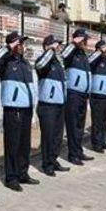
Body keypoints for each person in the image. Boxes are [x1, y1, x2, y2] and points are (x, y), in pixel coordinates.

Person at [0, 31, 40, 191]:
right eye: (19, 43)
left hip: (26, 108)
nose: (22, 46)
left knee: (24, 144)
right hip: (13, 109)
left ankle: (22, 173)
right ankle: (11, 177)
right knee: (13, 144)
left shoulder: (25, 63)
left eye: (22, 44)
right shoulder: (5, 63)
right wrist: (8, 48)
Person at [35, 35, 70, 176]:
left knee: (57, 136)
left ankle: (53, 159)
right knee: (48, 136)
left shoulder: (57, 63)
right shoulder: (43, 61)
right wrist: (50, 51)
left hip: (59, 105)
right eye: (55, 44)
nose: (58, 47)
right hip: (47, 106)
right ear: (46, 46)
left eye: (59, 45)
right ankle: (47, 164)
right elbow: (40, 65)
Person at [62, 29, 94, 165]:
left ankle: (78, 151)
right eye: (84, 40)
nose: (85, 42)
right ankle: (73, 154)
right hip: (73, 94)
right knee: (73, 125)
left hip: (83, 95)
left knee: (80, 125)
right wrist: (73, 43)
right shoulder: (70, 52)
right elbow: (62, 55)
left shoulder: (83, 54)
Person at [88, 40, 106, 153]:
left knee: (105, 121)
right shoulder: (95, 60)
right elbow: (89, 61)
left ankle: (102, 141)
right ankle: (96, 144)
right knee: (97, 121)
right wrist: (99, 51)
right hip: (97, 96)